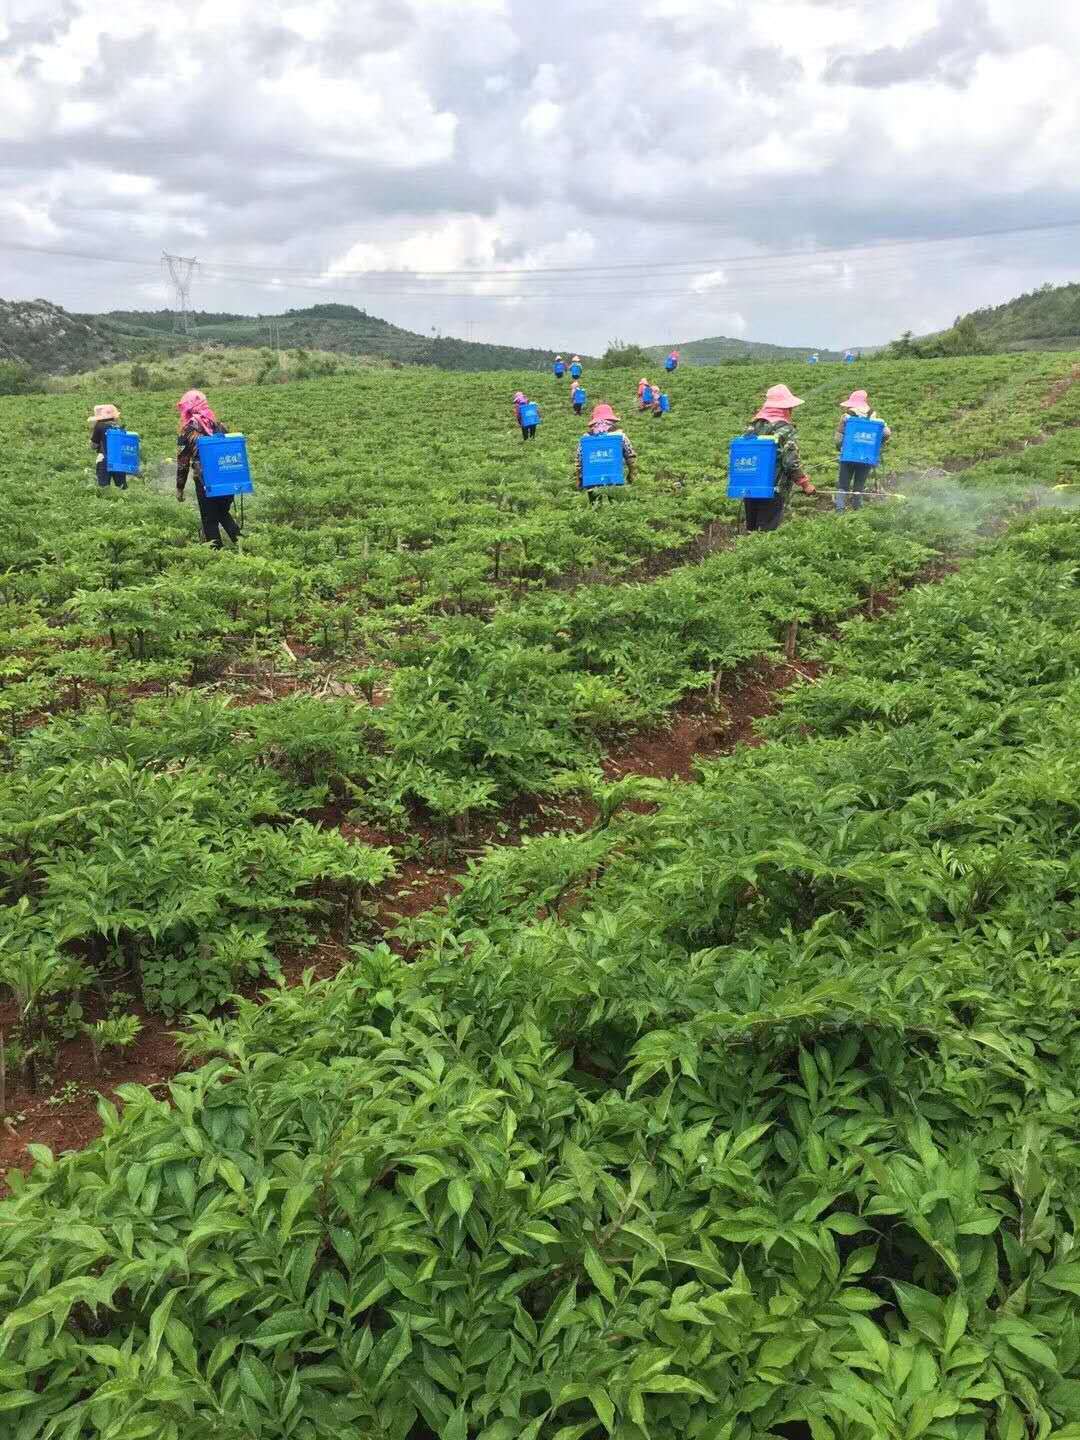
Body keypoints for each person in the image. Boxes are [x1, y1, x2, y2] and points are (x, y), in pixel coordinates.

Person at [742, 383, 815, 532]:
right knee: (766, 532)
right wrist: (805, 483)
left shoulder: (752, 426)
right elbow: (790, 462)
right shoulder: (786, 429)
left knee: (752, 529)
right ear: (786, 408)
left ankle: (747, 553)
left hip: (751, 484)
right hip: (773, 487)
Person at [175, 389, 241, 548]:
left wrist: (180, 487)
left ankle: (215, 557)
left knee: (209, 519)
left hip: (206, 480)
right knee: (222, 513)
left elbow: (183, 461)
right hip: (226, 477)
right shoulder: (220, 426)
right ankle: (244, 546)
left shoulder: (188, 430)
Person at [834, 389, 891, 513]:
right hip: (866, 456)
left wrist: (840, 448)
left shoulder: (846, 417)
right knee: (859, 484)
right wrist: (878, 443)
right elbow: (886, 433)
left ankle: (839, 510)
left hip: (849, 455)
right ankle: (857, 510)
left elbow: (838, 438)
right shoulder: (874, 417)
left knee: (843, 483)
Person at [576, 402, 636, 505]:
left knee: (595, 506)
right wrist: (632, 473)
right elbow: (630, 455)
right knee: (616, 505)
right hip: (614, 476)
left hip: (592, 478)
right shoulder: (620, 436)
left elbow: (579, 460)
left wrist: (579, 478)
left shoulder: (586, 437)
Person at [88, 403, 127, 490]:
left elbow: (94, 445)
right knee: (122, 488)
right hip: (119, 461)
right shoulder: (119, 427)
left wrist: (92, 431)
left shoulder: (99, 426)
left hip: (104, 460)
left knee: (104, 489)